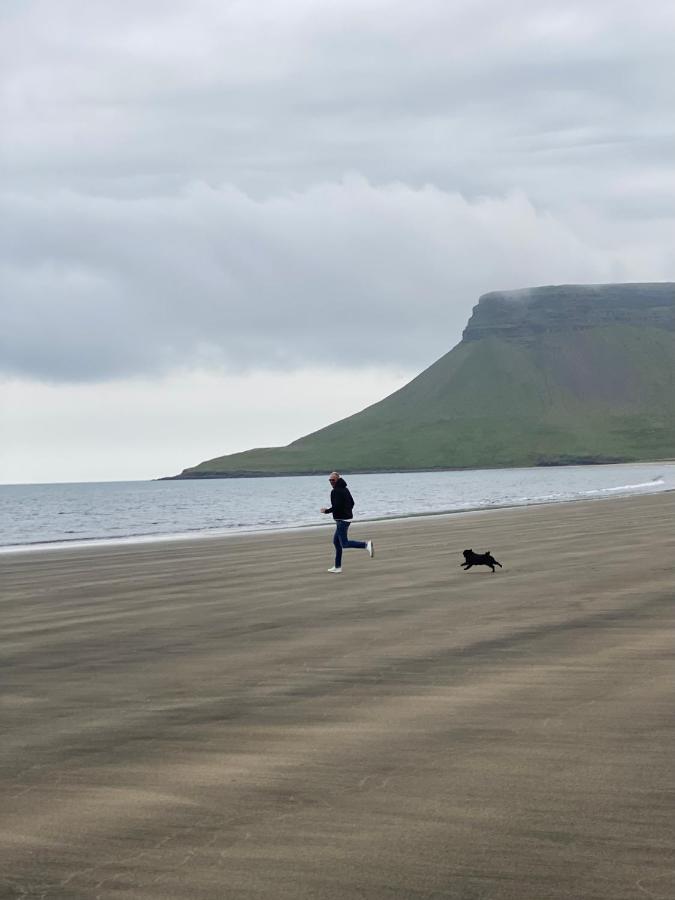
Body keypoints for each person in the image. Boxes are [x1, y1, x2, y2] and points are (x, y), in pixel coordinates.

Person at [320, 471, 374, 573]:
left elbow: (336, 507)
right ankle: (337, 567)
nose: (331, 482)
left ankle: (366, 545)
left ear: (338, 479)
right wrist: (347, 511)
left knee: (344, 543)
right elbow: (352, 503)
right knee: (336, 542)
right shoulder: (345, 489)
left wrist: (326, 511)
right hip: (346, 518)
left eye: (333, 480)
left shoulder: (336, 491)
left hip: (342, 520)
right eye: (330, 480)